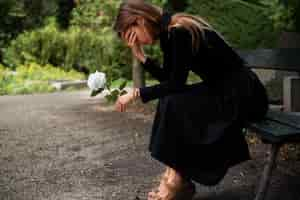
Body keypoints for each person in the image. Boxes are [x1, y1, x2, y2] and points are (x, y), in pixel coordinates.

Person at [113, 0, 269, 199]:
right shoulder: (169, 34)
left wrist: (137, 93)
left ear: (140, 21)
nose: (135, 42)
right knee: (171, 101)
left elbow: (175, 85)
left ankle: (176, 182)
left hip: (245, 94)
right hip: (225, 89)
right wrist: (141, 56)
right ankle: (177, 180)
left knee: (174, 102)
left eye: (132, 36)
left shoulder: (179, 31)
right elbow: (169, 81)